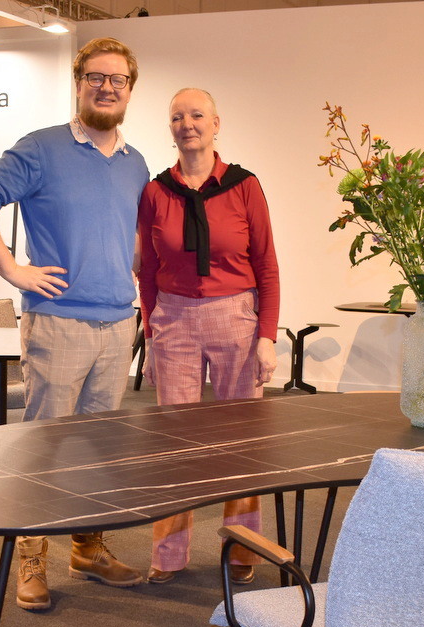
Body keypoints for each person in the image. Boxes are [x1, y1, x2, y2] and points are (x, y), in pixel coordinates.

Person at [0, 37, 149, 611]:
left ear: (129, 89)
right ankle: (31, 555)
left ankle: (86, 548)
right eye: (96, 77)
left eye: (117, 79)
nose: (106, 87)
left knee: (98, 449)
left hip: (118, 324)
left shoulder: (136, 163)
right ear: (79, 82)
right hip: (59, 323)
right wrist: (13, 270)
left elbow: (132, 233)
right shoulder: (41, 148)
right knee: (44, 446)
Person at [136, 87, 280, 584]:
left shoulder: (244, 186)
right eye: (178, 117)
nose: (187, 124)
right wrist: (150, 334)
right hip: (173, 319)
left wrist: (267, 335)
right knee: (175, 443)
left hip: (235, 316)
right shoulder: (156, 192)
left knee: (240, 441)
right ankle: (169, 554)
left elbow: (267, 264)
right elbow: (147, 271)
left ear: (216, 124)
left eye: (197, 115)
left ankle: (242, 548)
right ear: (171, 128)